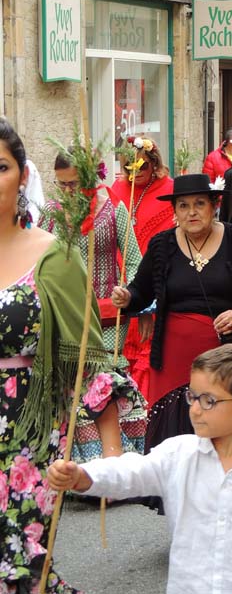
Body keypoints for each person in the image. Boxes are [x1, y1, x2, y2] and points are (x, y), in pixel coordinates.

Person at [47, 344, 232, 594]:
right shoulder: (178, 454)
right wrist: (84, 476)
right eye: (192, 397)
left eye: (208, 401)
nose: (194, 409)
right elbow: (132, 471)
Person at [0, 119, 121, 594]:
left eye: (0, 166)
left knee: (19, 572)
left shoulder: (54, 257)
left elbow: (88, 363)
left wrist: (112, 465)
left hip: (21, 444)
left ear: (23, 176)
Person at [111, 174, 232, 458]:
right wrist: (127, 298)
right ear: (174, 211)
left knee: (225, 424)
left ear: (214, 205)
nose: (191, 212)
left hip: (226, 356)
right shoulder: (162, 245)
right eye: (183, 206)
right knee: (179, 434)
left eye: (199, 204)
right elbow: (141, 292)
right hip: (175, 360)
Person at [39, 150, 147, 463]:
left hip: (107, 317)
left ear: (88, 178)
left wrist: (127, 294)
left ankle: (114, 465)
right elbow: (39, 262)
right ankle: (76, 465)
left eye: (73, 183)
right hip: (65, 315)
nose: (68, 191)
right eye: (62, 185)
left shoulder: (115, 208)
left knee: (104, 384)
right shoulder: (51, 212)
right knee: (73, 385)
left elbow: (134, 261)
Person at [111, 136, 175, 398]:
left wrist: (149, 304)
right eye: (129, 169)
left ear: (154, 163)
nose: (134, 174)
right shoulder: (116, 190)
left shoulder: (168, 191)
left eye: (142, 167)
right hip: (123, 287)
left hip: (154, 286)